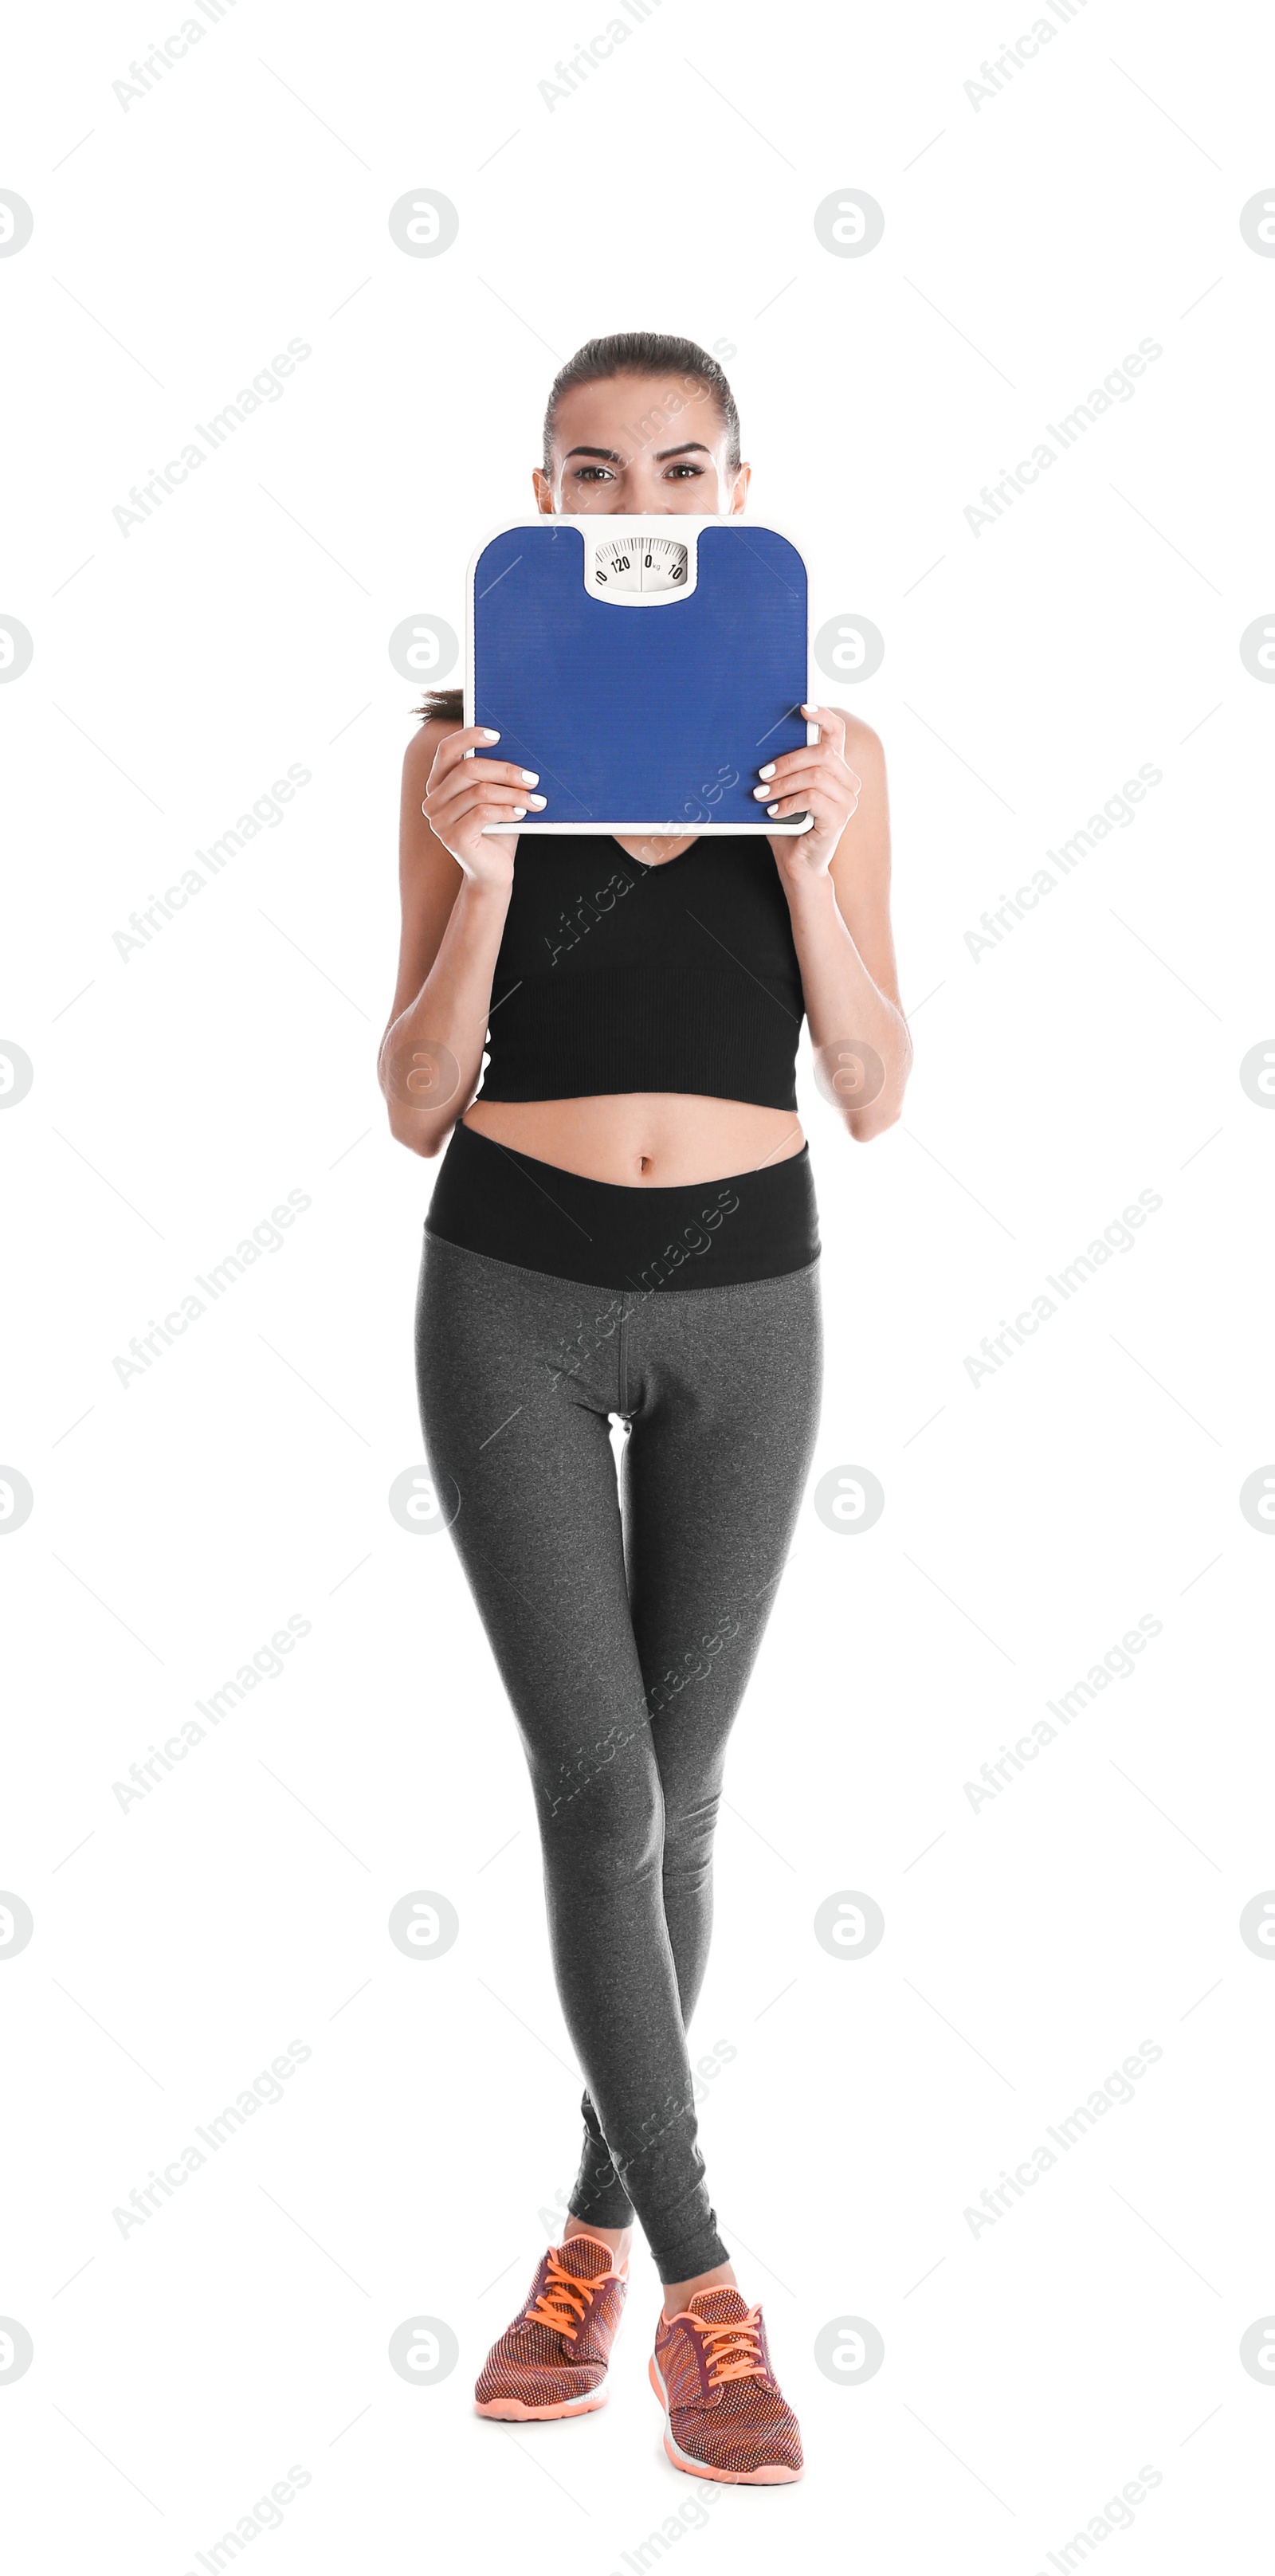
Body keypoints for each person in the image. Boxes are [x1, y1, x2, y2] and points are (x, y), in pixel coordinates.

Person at [379, 331, 912, 2485]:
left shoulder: (836, 748)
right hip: (511, 1288)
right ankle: (709, 2295)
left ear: (738, 490)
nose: (637, 509)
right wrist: (482, 870)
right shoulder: (452, 746)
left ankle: (582, 2241)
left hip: (747, 1307)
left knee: (675, 1811)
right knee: (601, 1802)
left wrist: (807, 854)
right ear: (541, 501)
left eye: (676, 472)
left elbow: (875, 1086)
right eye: (592, 478)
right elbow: (415, 1099)